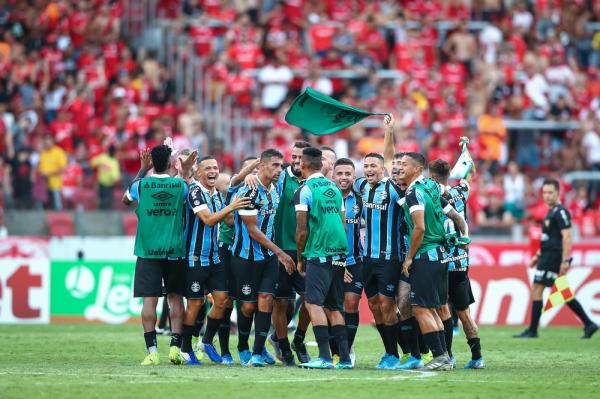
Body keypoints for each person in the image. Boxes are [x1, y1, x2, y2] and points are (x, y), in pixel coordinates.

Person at [122, 144, 196, 366]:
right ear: (169, 163)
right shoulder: (180, 186)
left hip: (147, 251)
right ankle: (175, 347)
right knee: (175, 299)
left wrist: (142, 169)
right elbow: (182, 187)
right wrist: (183, 170)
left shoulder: (141, 186)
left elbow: (126, 199)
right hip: (174, 250)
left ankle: (152, 352)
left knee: (149, 301)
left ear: (152, 162)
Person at [398, 152, 467, 371]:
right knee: (433, 308)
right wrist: (464, 238)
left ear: (416, 169)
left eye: (404, 165)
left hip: (425, 256)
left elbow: (419, 228)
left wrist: (408, 259)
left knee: (420, 309)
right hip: (440, 256)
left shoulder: (414, 193)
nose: (399, 168)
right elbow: (457, 217)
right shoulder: (432, 188)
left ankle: (439, 356)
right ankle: (444, 356)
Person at [179, 156, 250, 366]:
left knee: (222, 301)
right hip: (195, 257)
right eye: (208, 168)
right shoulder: (195, 192)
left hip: (214, 257)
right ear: (199, 172)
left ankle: (207, 341)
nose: (213, 171)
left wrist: (240, 202)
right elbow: (209, 220)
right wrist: (232, 206)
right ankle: (185, 348)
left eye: (215, 168)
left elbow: (227, 220)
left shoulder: (217, 195)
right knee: (195, 304)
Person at [231, 149, 295, 367]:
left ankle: (258, 352)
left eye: (281, 166)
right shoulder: (249, 190)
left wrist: (275, 253)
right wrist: (281, 252)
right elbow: (253, 230)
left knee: (266, 300)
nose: (279, 170)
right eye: (275, 165)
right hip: (245, 257)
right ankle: (242, 346)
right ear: (261, 166)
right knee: (248, 307)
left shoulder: (274, 188)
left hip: (267, 257)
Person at [514, 179, 598, 339]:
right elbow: (549, 238)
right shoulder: (551, 212)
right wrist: (537, 257)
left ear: (558, 193)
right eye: (544, 192)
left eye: (550, 192)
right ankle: (589, 324)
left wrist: (565, 260)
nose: (546, 196)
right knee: (561, 291)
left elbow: (566, 236)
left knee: (538, 287)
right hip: (546, 255)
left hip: (553, 257)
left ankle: (532, 330)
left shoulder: (561, 212)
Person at [295, 147, 351, 369]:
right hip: (338, 252)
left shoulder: (305, 189)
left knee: (313, 303)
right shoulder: (335, 189)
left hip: (319, 253)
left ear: (303, 165)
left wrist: (300, 258)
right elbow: (343, 223)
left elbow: (301, 230)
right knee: (335, 307)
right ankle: (345, 359)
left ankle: (325, 357)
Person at [429, 159, 485, 369]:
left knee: (443, 309)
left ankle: (449, 356)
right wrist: (466, 155)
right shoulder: (461, 192)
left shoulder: (429, 195)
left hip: (441, 260)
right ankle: (477, 356)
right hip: (461, 262)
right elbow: (469, 175)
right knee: (464, 312)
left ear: (432, 176)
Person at [267, 141, 312, 366]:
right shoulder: (280, 178)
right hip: (281, 250)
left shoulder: (315, 183)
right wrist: (248, 176)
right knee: (281, 303)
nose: (295, 161)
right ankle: (284, 348)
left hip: (307, 251)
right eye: (292, 157)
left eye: (299, 158)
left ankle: (299, 339)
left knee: (311, 301)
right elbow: (260, 179)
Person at [360, 150, 405, 370]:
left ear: (382, 168)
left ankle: (393, 354)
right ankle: (391, 351)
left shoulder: (394, 189)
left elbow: (412, 212)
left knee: (388, 304)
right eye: (366, 166)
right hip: (367, 258)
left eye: (373, 166)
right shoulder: (361, 187)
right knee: (373, 305)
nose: (368, 170)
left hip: (389, 258)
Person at [216, 157, 260, 365]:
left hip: (252, 252)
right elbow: (229, 220)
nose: (254, 171)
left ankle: (244, 346)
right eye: (250, 167)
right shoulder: (234, 187)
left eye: (257, 167)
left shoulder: (265, 191)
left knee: (250, 304)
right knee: (226, 301)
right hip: (227, 250)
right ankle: (224, 350)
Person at [333, 158, 363, 367]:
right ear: (333, 176)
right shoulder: (325, 197)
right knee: (332, 308)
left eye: (348, 174)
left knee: (351, 304)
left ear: (354, 177)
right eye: (340, 173)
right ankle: (336, 352)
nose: (344, 178)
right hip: (331, 261)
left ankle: (347, 350)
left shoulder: (361, 199)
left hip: (355, 261)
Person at [38, 135, 67, 210]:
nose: (47, 144)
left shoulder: (58, 152)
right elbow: (39, 167)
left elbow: (63, 168)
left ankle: (59, 218)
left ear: (53, 142)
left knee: (57, 204)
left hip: (55, 183)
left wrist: (49, 173)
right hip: (44, 184)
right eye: (46, 142)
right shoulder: (43, 153)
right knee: (44, 206)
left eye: (49, 142)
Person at [90, 145, 121, 210]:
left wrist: (109, 170)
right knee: (100, 203)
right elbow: (92, 163)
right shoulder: (103, 158)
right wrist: (100, 164)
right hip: (101, 184)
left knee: (108, 204)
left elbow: (116, 177)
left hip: (109, 186)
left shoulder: (114, 161)